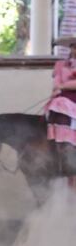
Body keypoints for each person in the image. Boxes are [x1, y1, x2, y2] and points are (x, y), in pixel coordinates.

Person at [45, 35, 76, 174]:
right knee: (56, 104)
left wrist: (63, 86)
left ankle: (69, 143)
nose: (75, 49)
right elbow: (57, 80)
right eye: (74, 46)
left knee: (62, 104)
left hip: (72, 97)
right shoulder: (60, 64)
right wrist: (56, 89)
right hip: (61, 97)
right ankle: (56, 144)